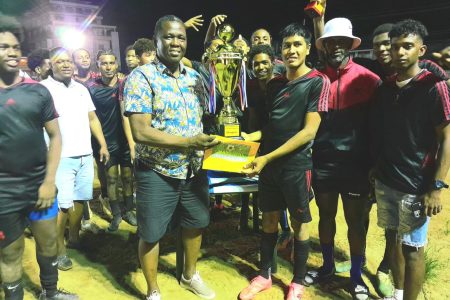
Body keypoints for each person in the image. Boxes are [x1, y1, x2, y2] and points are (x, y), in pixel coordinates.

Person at [124, 15, 219, 300]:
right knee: (151, 233)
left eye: (181, 37)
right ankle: (154, 290)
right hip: (157, 171)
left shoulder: (194, 77)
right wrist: (189, 142)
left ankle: (189, 275)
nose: (176, 42)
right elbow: (141, 131)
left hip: (193, 170)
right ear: (156, 40)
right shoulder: (141, 77)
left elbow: (208, 115)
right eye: (169, 36)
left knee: (196, 223)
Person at [239, 23, 329, 300]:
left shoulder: (317, 81)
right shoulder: (276, 83)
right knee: (268, 220)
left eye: (297, 44)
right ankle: (265, 276)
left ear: (307, 48)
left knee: (301, 225)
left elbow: (308, 131)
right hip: (269, 166)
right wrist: (251, 137)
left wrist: (265, 157)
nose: (291, 50)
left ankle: (297, 282)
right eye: (287, 45)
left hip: (296, 167)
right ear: (281, 50)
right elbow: (274, 125)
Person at [371, 19, 450, 300]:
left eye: (408, 46)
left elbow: (446, 139)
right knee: (392, 240)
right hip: (387, 180)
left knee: (413, 249)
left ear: (422, 50)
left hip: (417, 186)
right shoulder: (386, 88)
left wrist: (436, 187)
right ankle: (398, 293)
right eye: (396, 47)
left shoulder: (434, 87)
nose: (401, 52)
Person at [0, 14, 77, 300]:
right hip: (4, 192)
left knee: (48, 245)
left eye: (15, 46)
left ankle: (50, 292)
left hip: (39, 186)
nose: (11, 52)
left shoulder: (37, 91)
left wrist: (48, 182)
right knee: (11, 254)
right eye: (3, 46)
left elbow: (56, 137)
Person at [307, 12, 381, 299]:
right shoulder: (315, 79)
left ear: (351, 44)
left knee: (355, 223)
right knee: (325, 216)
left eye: (342, 41)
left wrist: (375, 165)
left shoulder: (369, 79)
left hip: (357, 167)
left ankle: (355, 277)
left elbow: (378, 126)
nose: (336, 46)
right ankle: (327, 266)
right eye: (331, 41)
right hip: (323, 163)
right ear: (324, 45)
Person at [41, 47, 109, 271]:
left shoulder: (81, 89)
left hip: (84, 155)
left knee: (80, 201)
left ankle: (75, 239)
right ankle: (59, 252)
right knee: (62, 206)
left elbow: (92, 118)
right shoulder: (43, 90)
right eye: (60, 61)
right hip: (60, 158)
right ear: (51, 64)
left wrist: (102, 144)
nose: (66, 64)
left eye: (69, 61)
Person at [87, 50, 136, 231]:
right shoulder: (91, 89)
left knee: (128, 178)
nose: (108, 67)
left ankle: (129, 210)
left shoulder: (126, 85)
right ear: (98, 66)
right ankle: (116, 214)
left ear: (117, 64)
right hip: (106, 143)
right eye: (104, 63)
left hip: (125, 140)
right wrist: (101, 144)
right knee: (112, 179)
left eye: (111, 63)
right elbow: (91, 119)